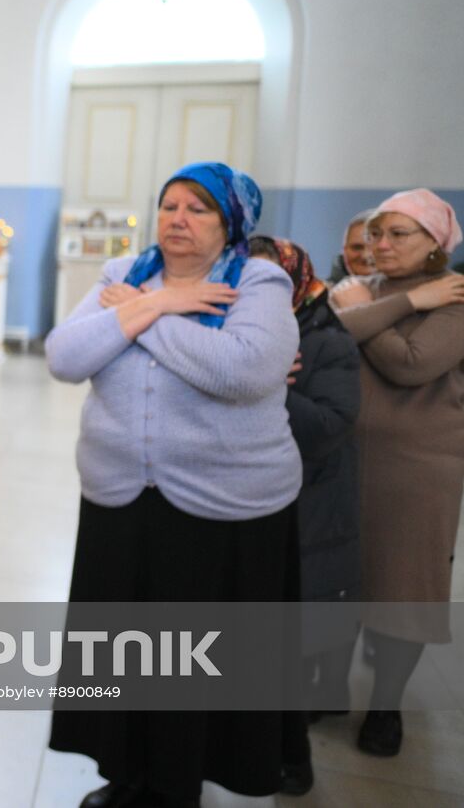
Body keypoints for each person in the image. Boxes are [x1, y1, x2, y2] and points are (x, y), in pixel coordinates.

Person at [45, 162, 301, 808]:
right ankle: (125, 770)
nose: (177, 219)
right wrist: (156, 300)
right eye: (169, 205)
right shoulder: (123, 274)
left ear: (230, 223)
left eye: (198, 208)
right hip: (120, 494)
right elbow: (65, 356)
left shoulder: (258, 279)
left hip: (223, 504)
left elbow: (246, 370)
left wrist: (135, 318)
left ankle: (173, 784)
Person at [328, 188, 464, 757]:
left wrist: (369, 309)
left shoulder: (454, 299)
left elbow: (411, 366)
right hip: (347, 463)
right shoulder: (366, 290)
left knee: (402, 591)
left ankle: (386, 708)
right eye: (375, 234)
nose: (379, 245)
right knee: (343, 582)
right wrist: (383, 304)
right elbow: (330, 341)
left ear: (436, 244)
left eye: (398, 235)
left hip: (416, 473)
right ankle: (327, 688)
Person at [248, 236, 361, 797]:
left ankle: (289, 756)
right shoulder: (232, 327)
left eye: (272, 280)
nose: (260, 292)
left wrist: (271, 388)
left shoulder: (325, 336)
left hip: (304, 503)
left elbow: (327, 426)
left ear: (295, 277)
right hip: (240, 500)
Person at [327, 208, 376, 284]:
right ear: (344, 250)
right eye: (357, 247)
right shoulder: (320, 294)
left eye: (373, 247)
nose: (365, 255)